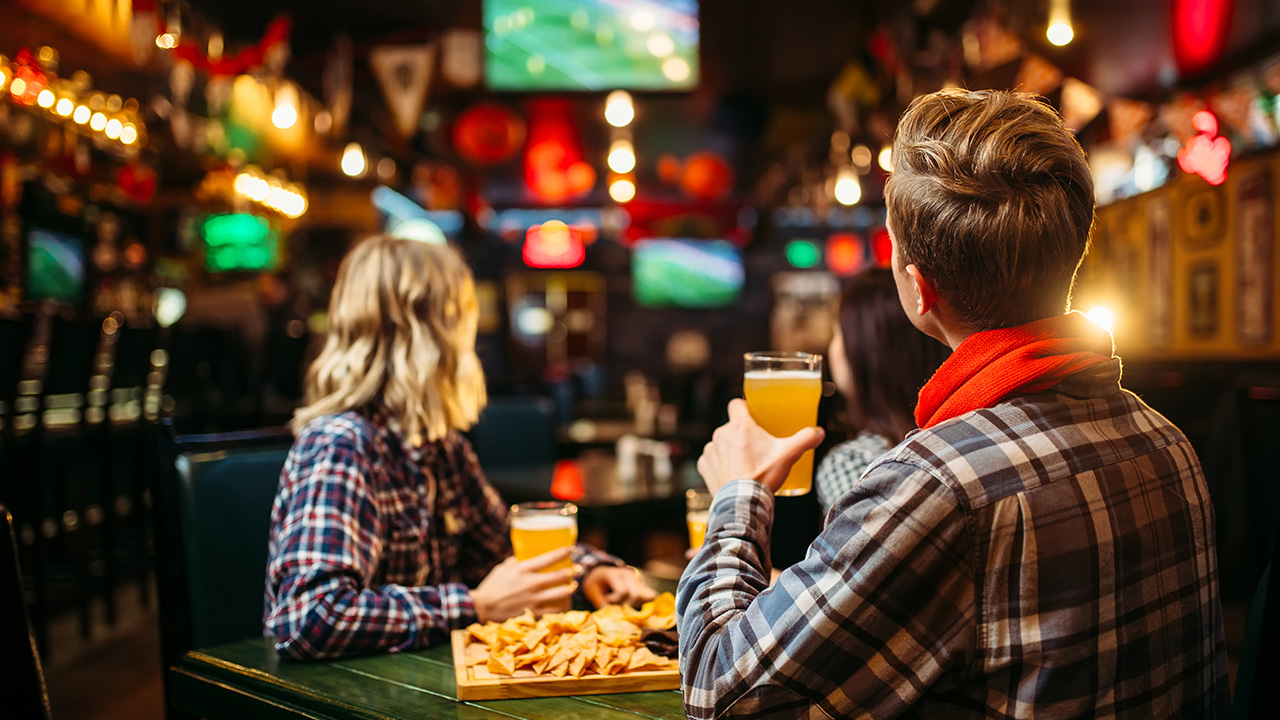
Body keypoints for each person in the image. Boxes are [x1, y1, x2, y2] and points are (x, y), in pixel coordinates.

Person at [679, 89, 1228, 718]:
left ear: (919, 289)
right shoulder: (1168, 439)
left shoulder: (937, 487)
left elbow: (719, 692)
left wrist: (739, 495)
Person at [264, 235, 654, 661]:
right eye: (462, 320)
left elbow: (507, 549)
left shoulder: (442, 449)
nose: (472, 345)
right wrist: (475, 607)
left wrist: (591, 569)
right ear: (429, 335)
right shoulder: (341, 444)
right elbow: (307, 619)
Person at [816, 267, 949, 516]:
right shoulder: (960, 437)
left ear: (865, 350)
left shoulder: (853, 462)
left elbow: (857, 553)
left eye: (837, 334)